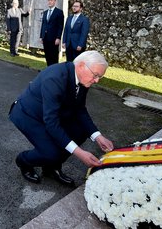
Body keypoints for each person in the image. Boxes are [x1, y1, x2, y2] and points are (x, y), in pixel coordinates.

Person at [9, 50, 114, 186]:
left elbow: (80, 109)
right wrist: (79, 153)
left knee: (81, 131)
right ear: (82, 65)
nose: (97, 80)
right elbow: (51, 122)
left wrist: (97, 136)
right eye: (96, 75)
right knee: (50, 152)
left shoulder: (84, 78)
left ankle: (51, 167)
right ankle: (23, 161)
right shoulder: (55, 77)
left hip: (51, 114)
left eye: (100, 77)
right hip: (29, 115)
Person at [40, 0, 64, 66]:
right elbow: (43, 25)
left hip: (54, 38)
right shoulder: (45, 12)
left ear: (55, 1)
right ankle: (48, 70)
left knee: (53, 56)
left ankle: (54, 72)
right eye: (48, 1)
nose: (49, 2)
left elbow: (60, 26)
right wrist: (41, 36)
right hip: (45, 38)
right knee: (47, 55)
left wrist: (58, 38)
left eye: (51, 0)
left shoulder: (59, 12)